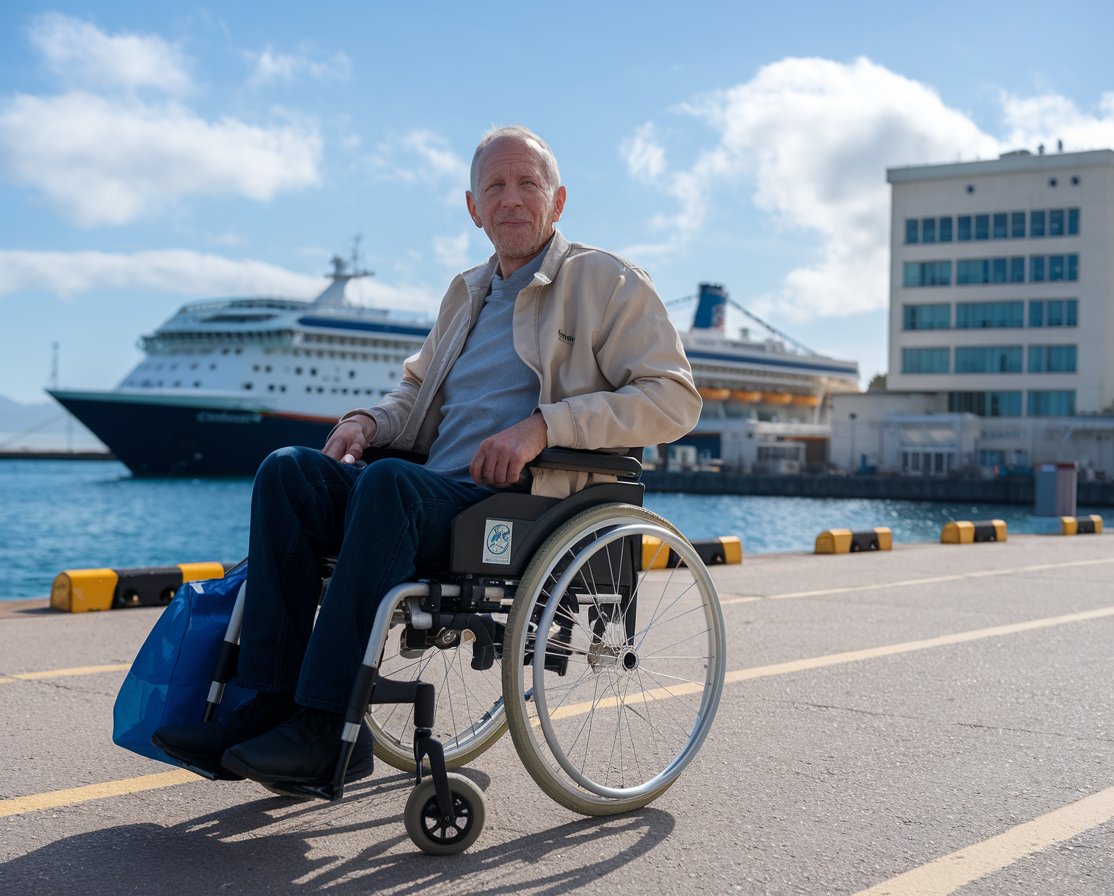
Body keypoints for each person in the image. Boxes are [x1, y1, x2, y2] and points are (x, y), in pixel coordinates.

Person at [152, 125, 702, 788]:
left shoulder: (606, 281)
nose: (511, 198)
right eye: (494, 186)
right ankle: (267, 706)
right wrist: (364, 420)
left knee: (389, 485)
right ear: (473, 208)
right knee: (287, 471)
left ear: (557, 201)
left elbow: (674, 401)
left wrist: (542, 426)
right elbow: (415, 396)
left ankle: (329, 730)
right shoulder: (466, 292)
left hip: (523, 502)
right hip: (424, 495)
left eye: (528, 182)